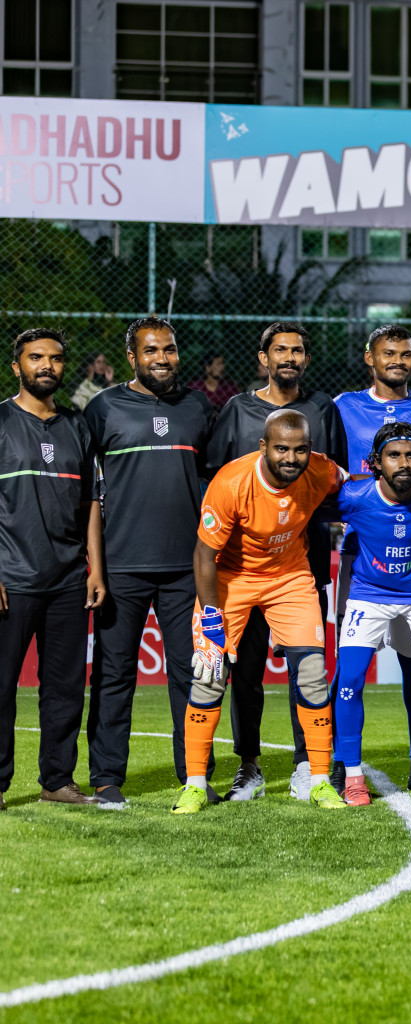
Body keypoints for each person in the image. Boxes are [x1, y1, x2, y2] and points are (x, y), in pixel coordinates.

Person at [173, 410, 347, 814]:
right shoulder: (232, 482)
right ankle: (196, 785)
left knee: (312, 676)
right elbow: (204, 553)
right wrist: (212, 615)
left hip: (289, 576)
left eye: (300, 449)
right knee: (209, 674)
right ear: (263, 447)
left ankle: (319, 780)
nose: (291, 458)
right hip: (231, 578)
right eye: (281, 449)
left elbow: (357, 487)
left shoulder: (321, 471)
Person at [206, 322, 349, 802]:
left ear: (306, 359)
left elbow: (338, 485)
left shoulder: (323, 409)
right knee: (243, 672)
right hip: (239, 570)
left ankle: (308, 765)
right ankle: (249, 766)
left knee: (306, 667)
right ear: (263, 358)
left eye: (298, 350)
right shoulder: (236, 410)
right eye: (280, 349)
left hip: (301, 565)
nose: (290, 356)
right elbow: (214, 479)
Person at [83, 317, 219, 808]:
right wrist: (94, 565)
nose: (162, 358)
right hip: (121, 566)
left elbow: (216, 482)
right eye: (151, 350)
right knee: (114, 673)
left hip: (187, 569)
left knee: (192, 673)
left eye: (169, 349)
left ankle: (195, 775)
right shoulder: (103, 408)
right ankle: (106, 777)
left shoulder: (196, 406)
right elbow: (87, 493)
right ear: (132, 358)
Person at [333, 324, 411, 795]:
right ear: (370, 358)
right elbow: (324, 468)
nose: (399, 361)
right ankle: (339, 764)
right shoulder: (343, 407)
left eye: (406, 354)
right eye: (389, 353)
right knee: (348, 668)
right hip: (358, 557)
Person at [1, 329, 106, 808]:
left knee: (64, 689)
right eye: (36, 357)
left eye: (56, 358)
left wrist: (95, 568)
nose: (47, 365)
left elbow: (90, 502)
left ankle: (56, 781)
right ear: (16, 366)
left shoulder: (77, 425)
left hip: (68, 581)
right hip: (12, 579)